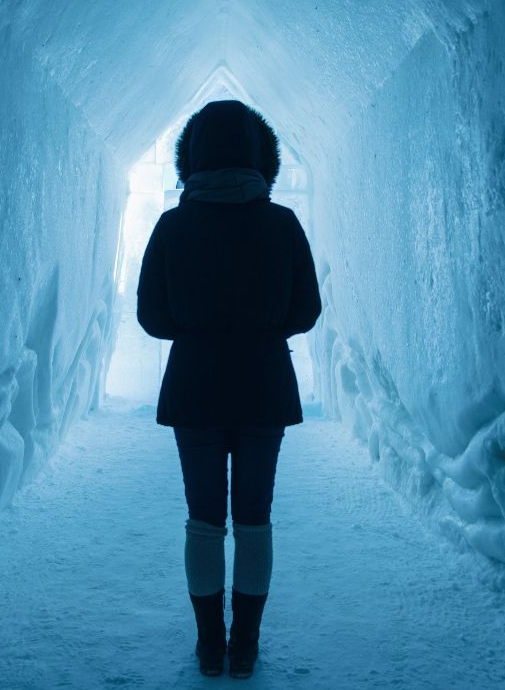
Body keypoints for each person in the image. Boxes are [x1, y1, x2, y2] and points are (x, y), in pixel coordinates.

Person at [136, 99, 322, 679]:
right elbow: (307, 310)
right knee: (254, 519)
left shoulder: (173, 225)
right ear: (260, 157)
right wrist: (261, 328)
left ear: (190, 158)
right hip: (264, 385)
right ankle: (245, 644)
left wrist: (198, 328)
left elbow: (152, 317)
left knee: (203, 520)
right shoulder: (283, 223)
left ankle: (209, 645)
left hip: (194, 387)